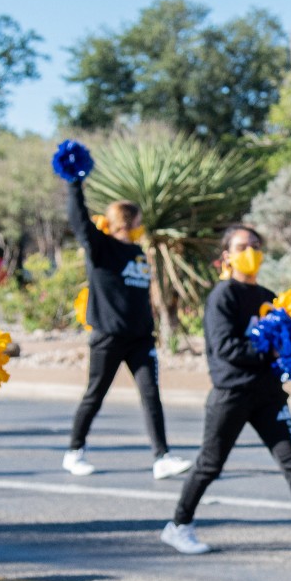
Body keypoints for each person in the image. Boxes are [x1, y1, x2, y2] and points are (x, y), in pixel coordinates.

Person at [160, 225, 291, 559]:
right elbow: (226, 348)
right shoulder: (223, 296)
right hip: (232, 394)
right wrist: (272, 353)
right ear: (227, 256)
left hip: (267, 394)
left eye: (255, 245)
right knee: (210, 464)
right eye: (242, 246)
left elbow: (283, 340)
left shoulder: (266, 294)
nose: (250, 251)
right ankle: (179, 526)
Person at [62, 178, 191, 480]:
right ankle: (74, 452)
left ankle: (162, 457)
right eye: (139, 220)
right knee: (95, 394)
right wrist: (74, 186)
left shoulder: (137, 252)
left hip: (140, 340)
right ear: (126, 221)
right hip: (108, 337)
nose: (142, 225)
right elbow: (79, 220)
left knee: (151, 395)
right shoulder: (101, 248)